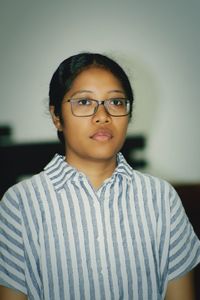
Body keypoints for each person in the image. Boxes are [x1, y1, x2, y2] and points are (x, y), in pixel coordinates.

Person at [0, 52, 200, 300]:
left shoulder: (161, 198)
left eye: (115, 102)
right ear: (56, 117)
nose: (102, 116)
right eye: (84, 102)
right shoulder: (20, 203)